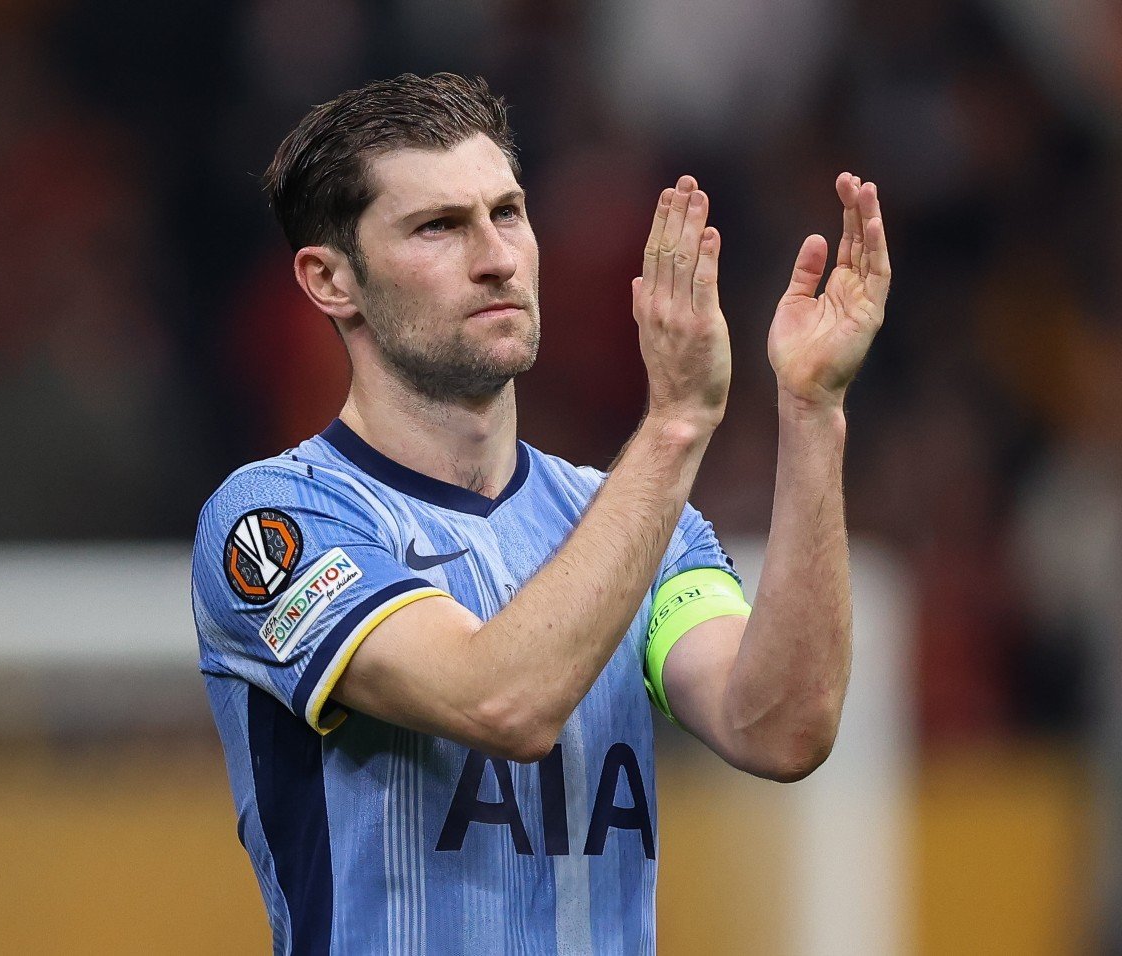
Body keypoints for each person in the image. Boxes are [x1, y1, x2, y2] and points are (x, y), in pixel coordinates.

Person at [191, 72, 889, 955]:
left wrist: (813, 411)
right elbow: (501, 701)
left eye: (508, 213)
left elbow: (780, 726)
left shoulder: (645, 526)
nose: (496, 257)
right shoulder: (275, 522)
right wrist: (676, 423)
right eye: (439, 227)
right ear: (331, 279)